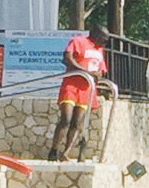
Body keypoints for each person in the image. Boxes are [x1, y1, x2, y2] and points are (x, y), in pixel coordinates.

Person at [47, 24, 110, 162]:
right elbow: (67, 59)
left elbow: (101, 69)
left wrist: (98, 74)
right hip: (71, 85)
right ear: (95, 34)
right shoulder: (78, 41)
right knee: (66, 119)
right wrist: (85, 71)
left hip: (86, 89)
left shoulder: (100, 50)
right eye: (103, 39)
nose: (104, 42)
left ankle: (66, 153)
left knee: (77, 123)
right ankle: (54, 151)